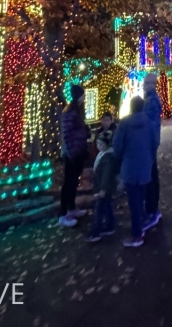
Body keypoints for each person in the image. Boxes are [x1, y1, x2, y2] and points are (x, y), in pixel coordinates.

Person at [112, 95, 158, 248]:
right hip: (145, 165)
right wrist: (150, 158)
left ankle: (137, 235)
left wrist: (119, 158)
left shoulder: (124, 124)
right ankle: (141, 223)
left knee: (133, 201)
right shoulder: (149, 122)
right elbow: (154, 142)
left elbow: (117, 145)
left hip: (129, 166)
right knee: (141, 197)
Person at [59, 84, 90, 227]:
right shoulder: (70, 112)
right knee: (69, 182)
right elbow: (67, 134)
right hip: (72, 153)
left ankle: (72, 207)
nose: (84, 97)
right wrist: (72, 151)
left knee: (73, 182)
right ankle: (64, 213)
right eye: (83, 95)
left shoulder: (77, 110)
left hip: (78, 151)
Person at [87, 131, 117, 243]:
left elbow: (106, 175)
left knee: (99, 209)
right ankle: (110, 226)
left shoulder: (107, 158)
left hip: (104, 188)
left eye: (100, 144)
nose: (98, 146)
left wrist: (103, 189)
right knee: (107, 206)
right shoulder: (102, 155)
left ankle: (96, 232)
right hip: (103, 187)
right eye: (97, 144)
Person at [142, 73, 162, 231]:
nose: (144, 86)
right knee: (152, 174)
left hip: (149, 143)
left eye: (146, 83)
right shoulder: (150, 99)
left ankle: (152, 210)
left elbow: (148, 123)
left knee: (150, 176)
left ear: (151, 84)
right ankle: (153, 208)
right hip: (150, 142)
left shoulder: (151, 101)